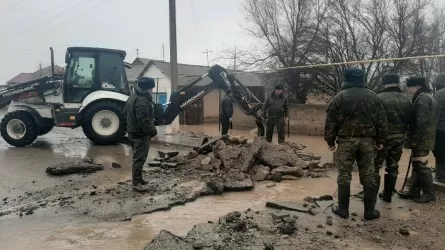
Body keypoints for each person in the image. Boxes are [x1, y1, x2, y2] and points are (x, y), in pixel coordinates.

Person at [324, 68, 387, 220]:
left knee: (344, 174)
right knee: (368, 174)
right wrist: (380, 141)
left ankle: (343, 210)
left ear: (346, 79)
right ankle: (369, 211)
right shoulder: (373, 96)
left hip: (346, 141)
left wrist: (330, 141)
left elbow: (330, 121)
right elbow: (382, 121)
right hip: (367, 141)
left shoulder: (340, 96)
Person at [373, 74, 412, 203]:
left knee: (375, 167)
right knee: (393, 166)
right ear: (397, 83)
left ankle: (371, 196)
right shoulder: (406, 99)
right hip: (399, 138)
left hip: (381, 139)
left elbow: (374, 120)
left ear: (385, 83)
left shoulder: (378, 98)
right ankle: (388, 195)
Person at [398, 76, 437, 203]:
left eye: (410, 87)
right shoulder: (426, 96)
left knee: (421, 165)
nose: (408, 90)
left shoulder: (422, 99)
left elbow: (420, 122)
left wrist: (414, 140)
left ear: (417, 86)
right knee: (416, 165)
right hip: (425, 138)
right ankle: (413, 191)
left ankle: (429, 193)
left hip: (422, 139)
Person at [126, 77, 158, 192]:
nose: (152, 91)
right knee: (139, 159)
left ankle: (139, 179)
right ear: (147, 88)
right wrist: (152, 131)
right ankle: (136, 183)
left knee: (138, 158)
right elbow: (144, 120)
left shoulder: (132, 97)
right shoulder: (143, 101)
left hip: (132, 132)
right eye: (151, 88)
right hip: (140, 135)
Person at [433, 73, 445, 183]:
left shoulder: (439, 94)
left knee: (440, 151)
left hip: (441, 129)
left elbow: (435, 112)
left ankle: (441, 175)